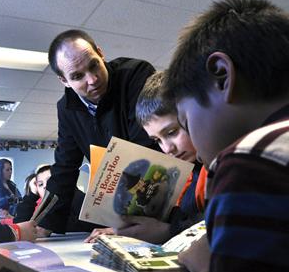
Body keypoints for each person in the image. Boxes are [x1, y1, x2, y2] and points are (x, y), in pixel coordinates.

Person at [161, 0, 289, 272]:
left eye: (185, 121)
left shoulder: (253, 160)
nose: (190, 139)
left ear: (221, 75)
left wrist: (208, 270)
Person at [40, 29, 157, 235]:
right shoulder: (67, 109)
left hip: (157, 188)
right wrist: (43, 225)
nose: (93, 79)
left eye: (94, 65)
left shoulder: (135, 74)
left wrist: (121, 226)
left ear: (101, 53)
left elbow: (145, 149)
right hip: (118, 199)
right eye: (78, 76)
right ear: (64, 81)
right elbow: (65, 167)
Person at [85, 71, 206, 244]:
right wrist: (129, 229)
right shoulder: (185, 174)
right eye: (157, 140)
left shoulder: (220, 166)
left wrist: (170, 231)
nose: (167, 148)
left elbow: (219, 227)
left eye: (172, 132)